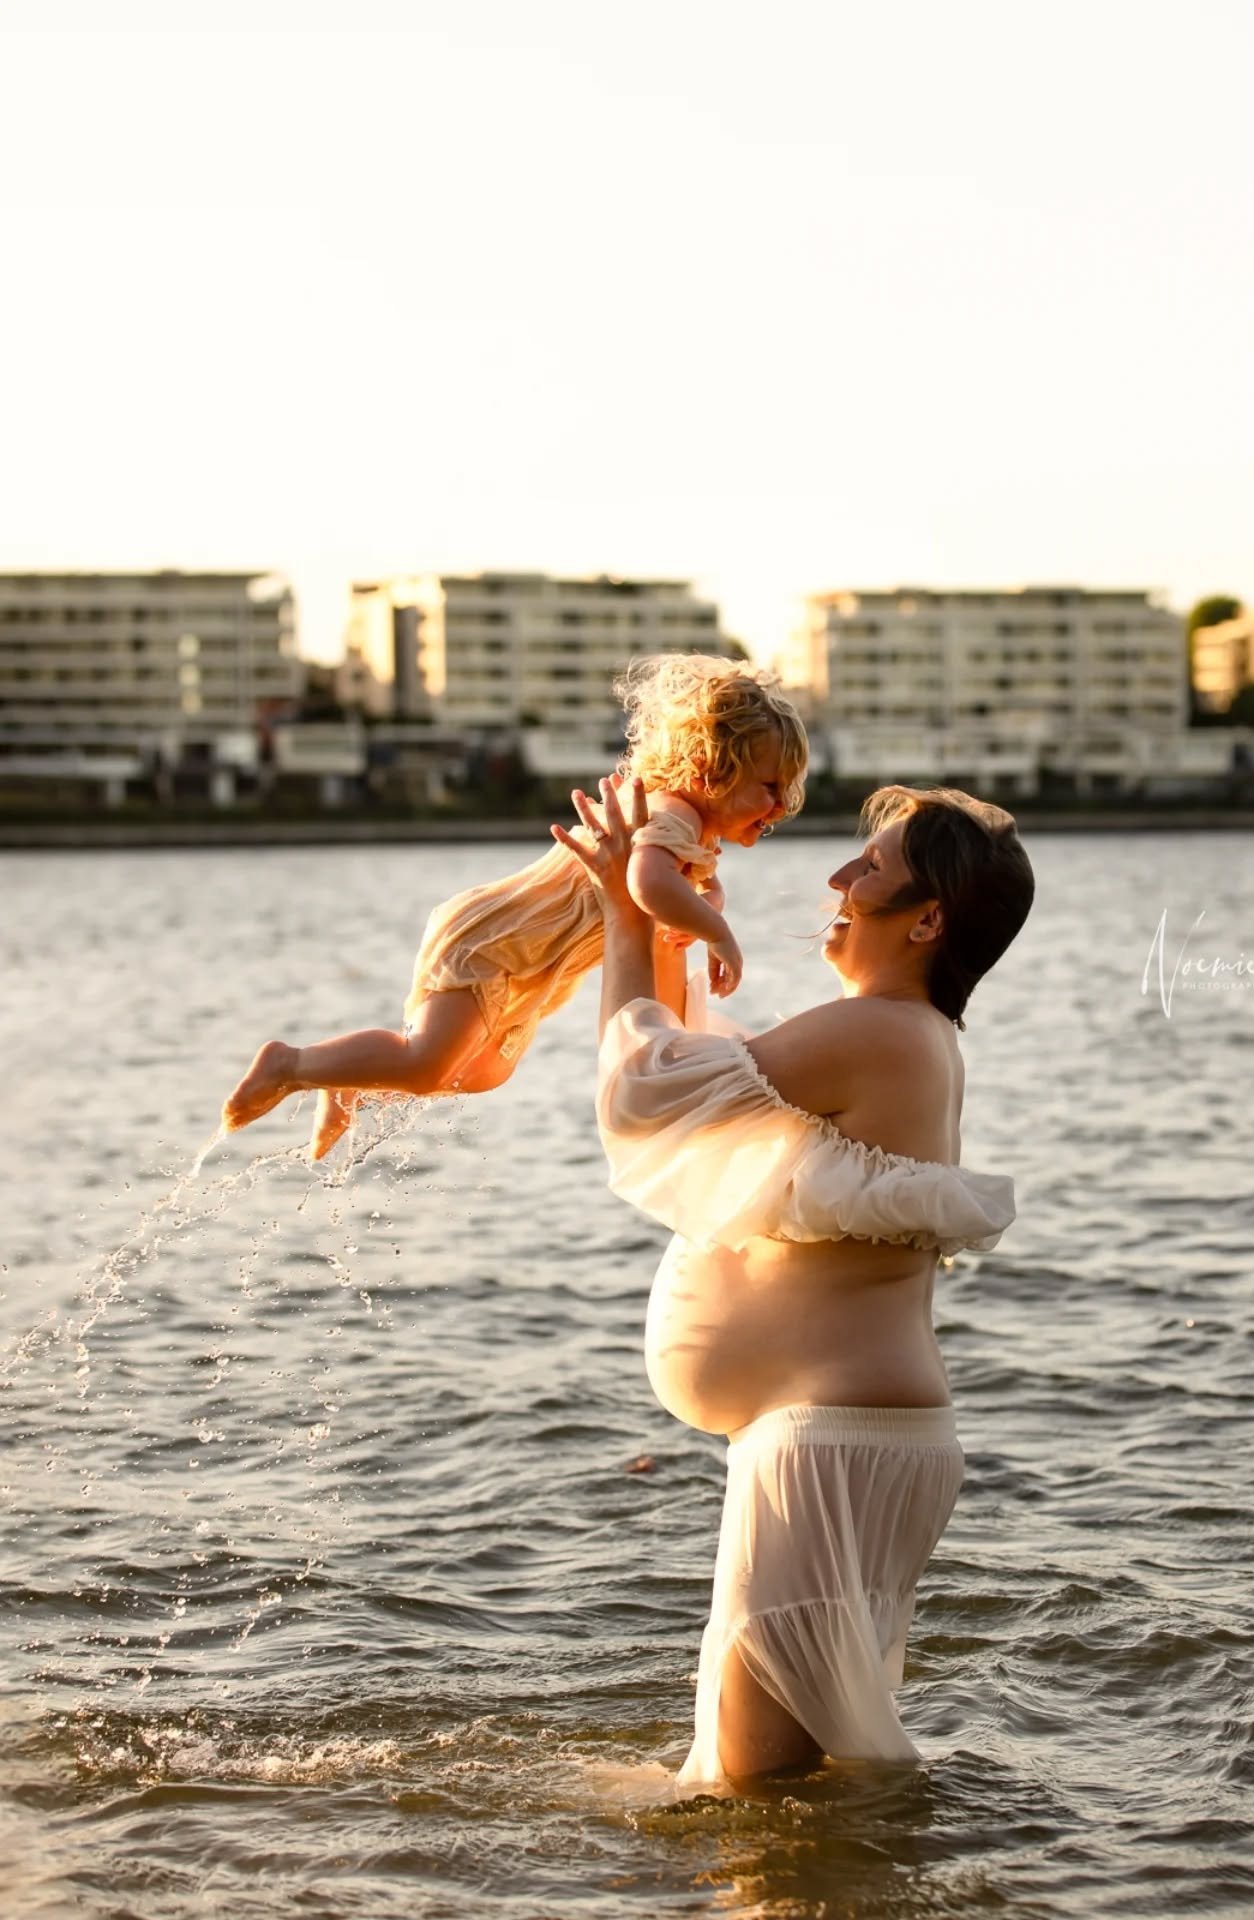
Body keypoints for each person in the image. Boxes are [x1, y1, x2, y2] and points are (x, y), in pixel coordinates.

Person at [554, 773, 1034, 1789]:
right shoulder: (902, 1038)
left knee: (756, 1792)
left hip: (834, 1443)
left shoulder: (880, 1031)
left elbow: (645, 1090)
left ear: (927, 921)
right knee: (779, 1787)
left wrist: (623, 916)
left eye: (872, 867)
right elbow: (696, 1070)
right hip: (845, 1438)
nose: (838, 878)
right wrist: (664, 919)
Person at [222, 656, 807, 1159]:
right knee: (426, 1062)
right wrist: (718, 932)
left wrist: (707, 901)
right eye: (769, 787)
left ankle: (353, 1082)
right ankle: (290, 1063)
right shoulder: (671, 814)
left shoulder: (689, 832)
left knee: (482, 1072)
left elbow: (686, 882)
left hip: (527, 962)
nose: (782, 805)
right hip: (494, 942)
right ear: (708, 772)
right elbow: (645, 882)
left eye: (788, 788)